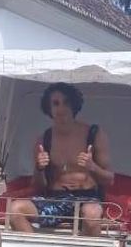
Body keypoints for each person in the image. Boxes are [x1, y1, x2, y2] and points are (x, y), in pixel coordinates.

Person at [8, 82, 113, 237]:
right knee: (15, 210)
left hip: (87, 197)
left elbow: (110, 179)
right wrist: (39, 168)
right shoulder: (44, 140)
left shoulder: (94, 134)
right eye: (55, 104)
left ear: (74, 105)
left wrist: (92, 167)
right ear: (49, 108)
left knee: (91, 215)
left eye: (66, 103)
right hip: (55, 199)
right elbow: (38, 186)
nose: (61, 109)